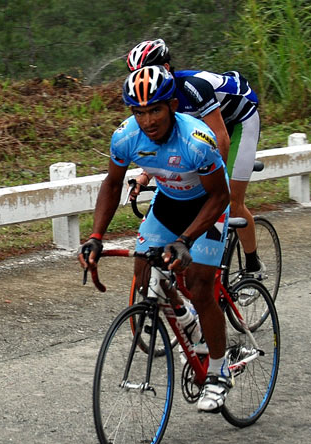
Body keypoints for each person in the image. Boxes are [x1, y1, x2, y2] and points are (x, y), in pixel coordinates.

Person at [78, 65, 233, 413]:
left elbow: (220, 197)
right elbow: (113, 184)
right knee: (144, 269)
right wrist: (96, 236)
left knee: (200, 283)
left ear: (173, 106)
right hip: (168, 204)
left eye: (155, 110)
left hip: (206, 206)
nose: (148, 120)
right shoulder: (125, 137)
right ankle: (187, 320)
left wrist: (186, 239)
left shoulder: (197, 140)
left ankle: (219, 372)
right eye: (139, 112)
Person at [126, 39, 264, 276]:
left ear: (166, 69)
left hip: (239, 119)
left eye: (149, 72)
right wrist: (145, 174)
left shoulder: (193, 87)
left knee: (229, 200)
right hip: (206, 123)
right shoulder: (156, 99)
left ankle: (253, 265)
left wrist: (210, 178)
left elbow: (221, 138)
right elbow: (165, 144)